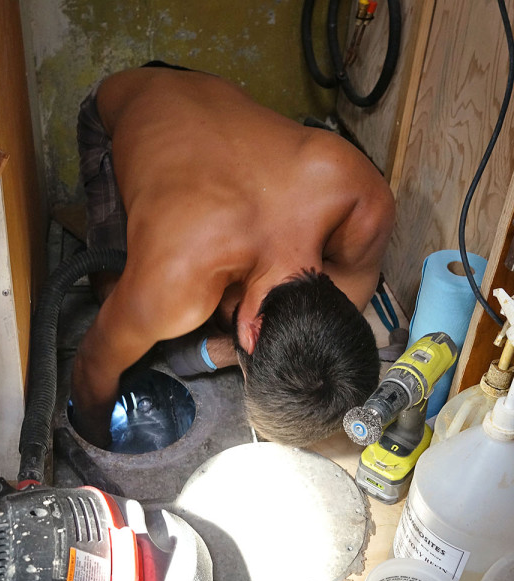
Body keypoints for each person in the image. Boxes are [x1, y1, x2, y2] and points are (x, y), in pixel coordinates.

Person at [70, 62, 395, 449]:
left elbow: (342, 308)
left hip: (213, 96)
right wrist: (100, 451)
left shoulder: (366, 203)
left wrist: (219, 351)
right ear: (254, 333)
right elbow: (93, 366)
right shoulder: (172, 285)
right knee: (118, 303)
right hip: (120, 107)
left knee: (200, 315)